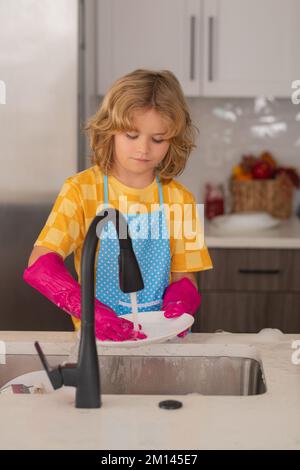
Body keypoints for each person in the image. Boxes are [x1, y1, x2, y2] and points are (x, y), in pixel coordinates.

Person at [23, 69, 213, 342]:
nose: (143, 149)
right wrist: (88, 311)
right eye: (131, 135)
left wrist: (181, 302)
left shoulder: (181, 199)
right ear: (109, 130)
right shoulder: (81, 190)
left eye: (158, 139)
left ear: (174, 140)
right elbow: (40, 264)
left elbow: (185, 276)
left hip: (163, 340)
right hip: (98, 340)